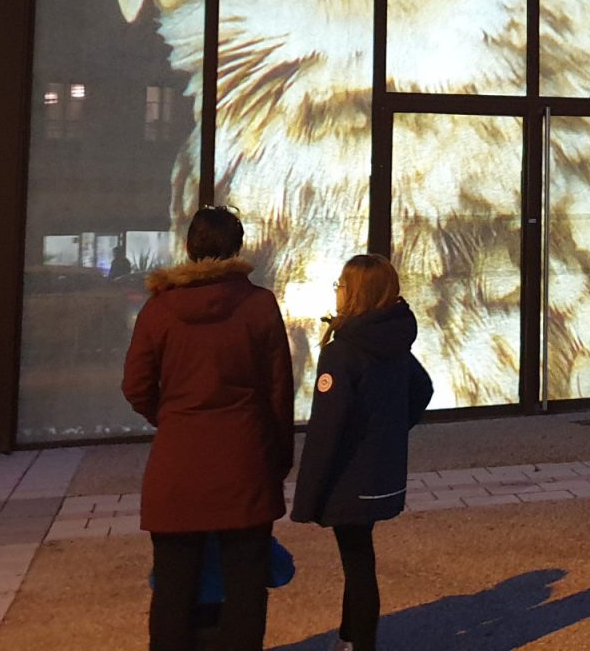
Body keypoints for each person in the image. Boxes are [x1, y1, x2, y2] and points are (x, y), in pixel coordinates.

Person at [122, 205, 294, 651]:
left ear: (189, 247)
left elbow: (135, 386)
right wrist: (277, 457)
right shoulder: (258, 305)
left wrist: (171, 417)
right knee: (246, 586)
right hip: (243, 460)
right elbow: (278, 391)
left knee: (174, 585)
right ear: (237, 247)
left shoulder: (159, 310)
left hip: (176, 466)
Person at [291, 254, 434, 651]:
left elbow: (326, 430)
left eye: (340, 284)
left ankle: (360, 642)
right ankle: (348, 635)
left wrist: (307, 499)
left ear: (355, 292)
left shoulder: (344, 351)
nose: (336, 291)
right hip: (382, 475)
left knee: (358, 563)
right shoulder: (394, 344)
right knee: (358, 553)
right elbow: (422, 389)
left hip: (349, 479)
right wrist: (388, 433)